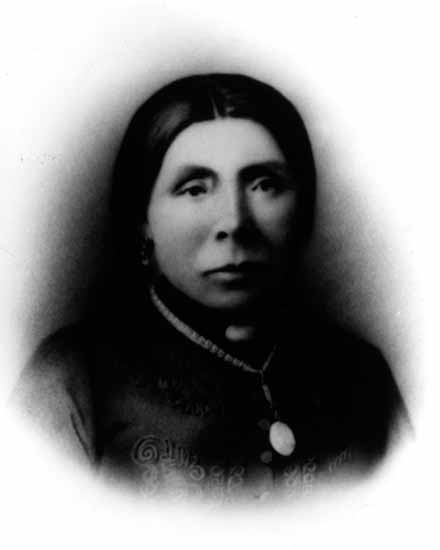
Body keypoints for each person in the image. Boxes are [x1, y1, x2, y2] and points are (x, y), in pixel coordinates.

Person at [14, 73, 408, 501]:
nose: (235, 222)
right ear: (143, 221)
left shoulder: (361, 374)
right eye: (195, 189)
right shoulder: (71, 382)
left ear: (303, 205)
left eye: (264, 185)